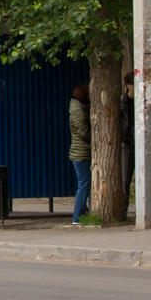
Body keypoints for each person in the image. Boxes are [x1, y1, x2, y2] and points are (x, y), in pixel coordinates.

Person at [68, 84, 91, 224]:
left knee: (86, 184)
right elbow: (84, 133)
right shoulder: (78, 111)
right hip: (81, 153)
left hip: (81, 152)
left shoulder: (79, 109)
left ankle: (83, 213)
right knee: (84, 184)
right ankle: (77, 216)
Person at [119, 72, 135, 200]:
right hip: (127, 141)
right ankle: (123, 206)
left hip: (136, 141)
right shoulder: (123, 103)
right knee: (125, 178)